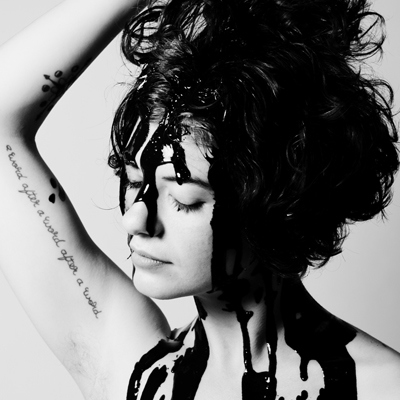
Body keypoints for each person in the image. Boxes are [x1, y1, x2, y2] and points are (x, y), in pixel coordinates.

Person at [0, 0, 400, 399]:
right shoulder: (129, 370)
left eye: (184, 199)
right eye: (134, 181)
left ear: (280, 204)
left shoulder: (381, 388)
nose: (135, 220)